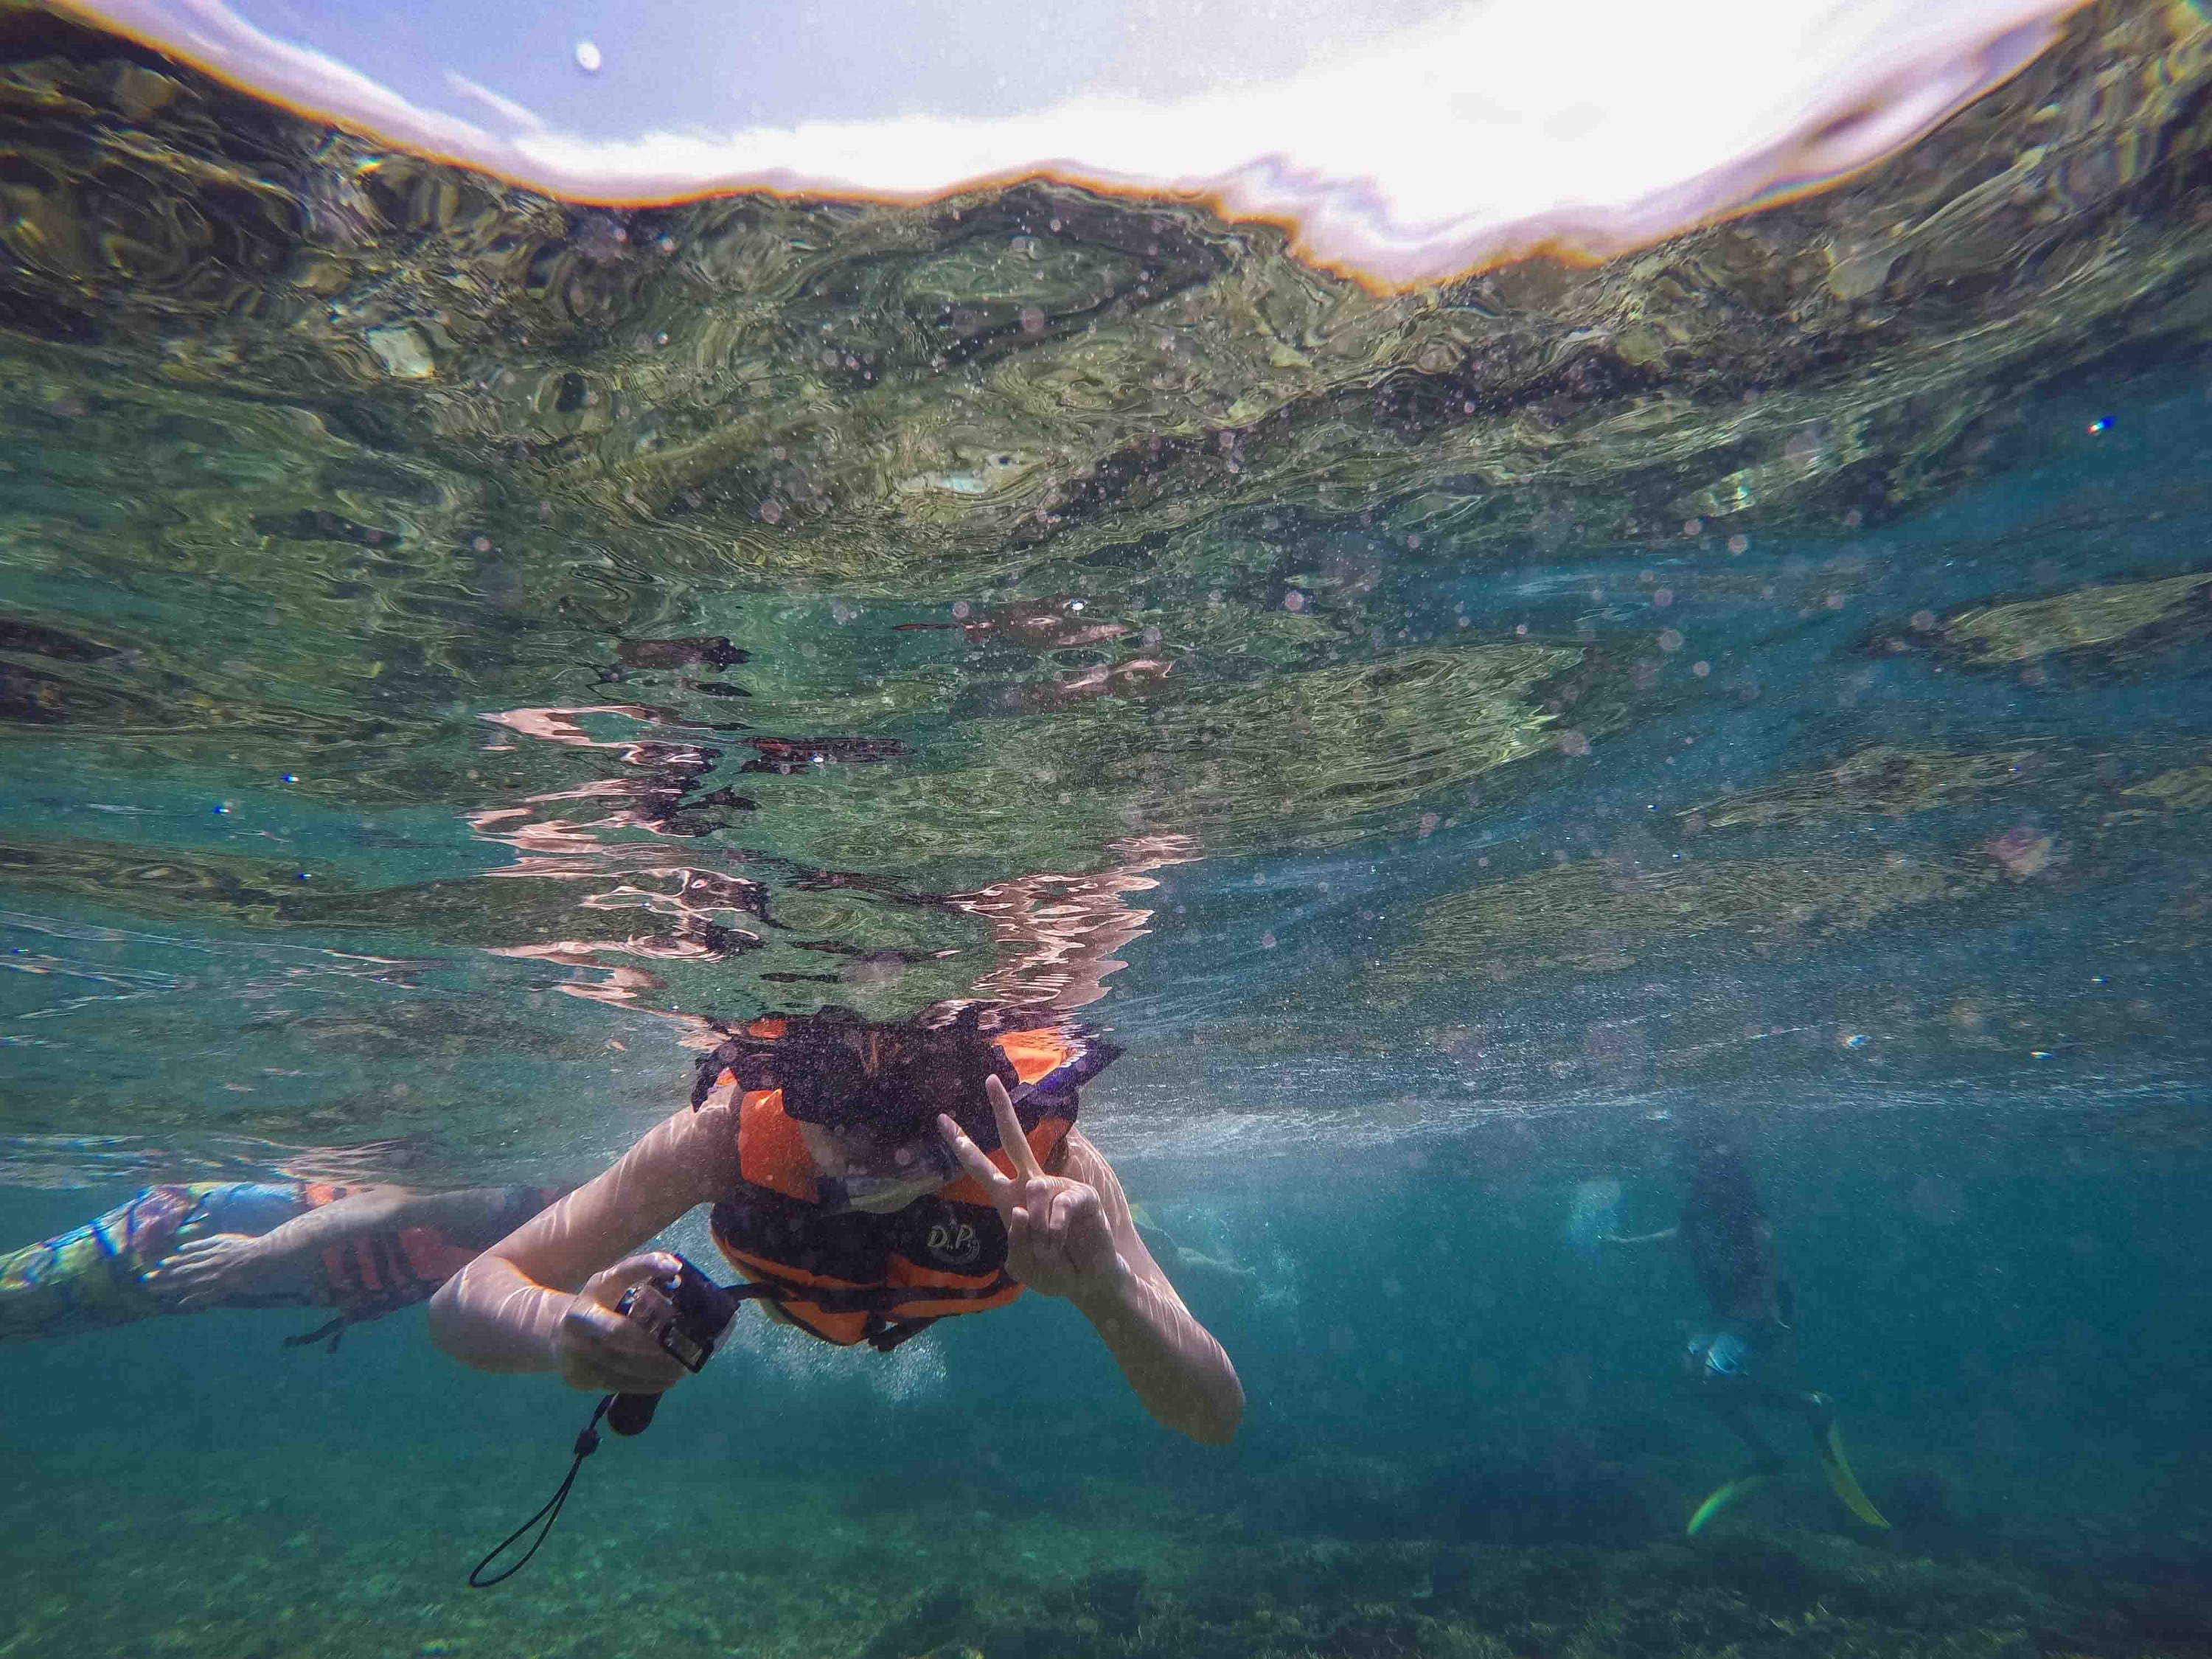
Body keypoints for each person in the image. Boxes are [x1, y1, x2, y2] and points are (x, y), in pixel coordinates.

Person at [429, 1006, 1245, 1444]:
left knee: (1131, 1248)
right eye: (826, 1088)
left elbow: (1214, 1414)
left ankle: (1152, 1241)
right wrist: (557, 1332)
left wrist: (1107, 1291)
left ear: (975, 1087)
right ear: (784, 1076)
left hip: (904, 1286)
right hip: (809, 1299)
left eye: (922, 1098)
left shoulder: (1052, 1172)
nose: (874, 1145)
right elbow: (466, 1297)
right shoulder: (724, 1135)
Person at [1604, 1127, 1887, 1533]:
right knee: (1694, 1377)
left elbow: (1767, 1255)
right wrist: (1628, 1243)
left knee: (1715, 1376)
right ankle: (1765, 1456)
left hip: (1756, 1308)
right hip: (1722, 1308)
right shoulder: (1699, 1204)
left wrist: (1766, 1308)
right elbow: (1680, 1236)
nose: (1700, 1179)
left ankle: (1812, 1406)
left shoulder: (1746, 1212)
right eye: (1699, 1172)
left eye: (1709, 1172)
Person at [0, 1178, 566, 1348]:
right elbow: (387, 1207)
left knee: (32, 1319)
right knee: (26, 1291)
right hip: (225, 1233)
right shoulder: (525, 1200)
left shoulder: (577, 1246)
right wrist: (258, 1250)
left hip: (241, 1270)